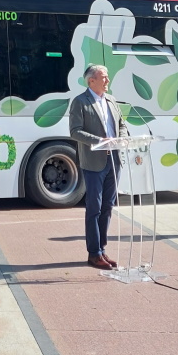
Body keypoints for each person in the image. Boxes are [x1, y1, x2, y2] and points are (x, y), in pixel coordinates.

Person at [69, 64, 129, 270]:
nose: (107, 80)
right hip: (94, 162)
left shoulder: (111, 100)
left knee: (108, 206)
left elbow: (122, 124)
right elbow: (75, 131)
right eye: (103, 77)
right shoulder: (80, 102)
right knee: (94, 207)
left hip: (114, 159)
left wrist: (121, 139)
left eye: (107, 76)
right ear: (91, 80)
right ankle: (93, 253)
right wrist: (100, 141)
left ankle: (102, 249)